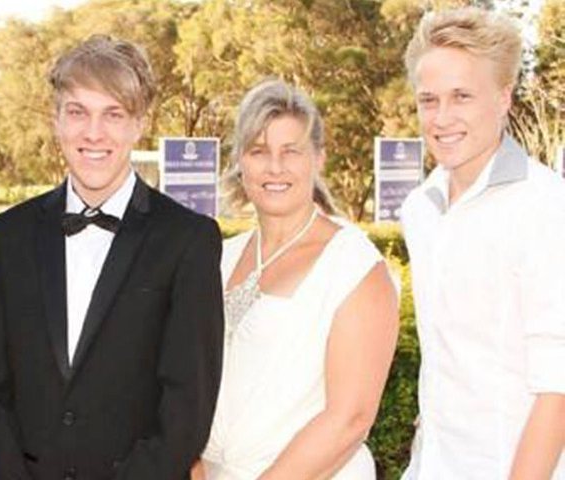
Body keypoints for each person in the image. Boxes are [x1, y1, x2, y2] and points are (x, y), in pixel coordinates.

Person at [0, 34, 224, 480]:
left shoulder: (188, 240)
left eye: (113, 114)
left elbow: (188, 404)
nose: (94, 133)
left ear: (138, 124)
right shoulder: (7, 235)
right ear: (56, 120)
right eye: (78, 112)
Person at [196, 79, 399, 479]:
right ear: (240, 160)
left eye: (291, 151)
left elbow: (350, 418)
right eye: (259, 151)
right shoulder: (220, 257)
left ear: (318, 158)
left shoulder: (355, 265)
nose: (275, 167)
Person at [400, 7, 565, 479]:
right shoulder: (420, 209)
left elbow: (557, 388)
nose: (442, 117)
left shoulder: (546, 206)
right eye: (428, 99)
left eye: (462, 96)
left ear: (504, 97)